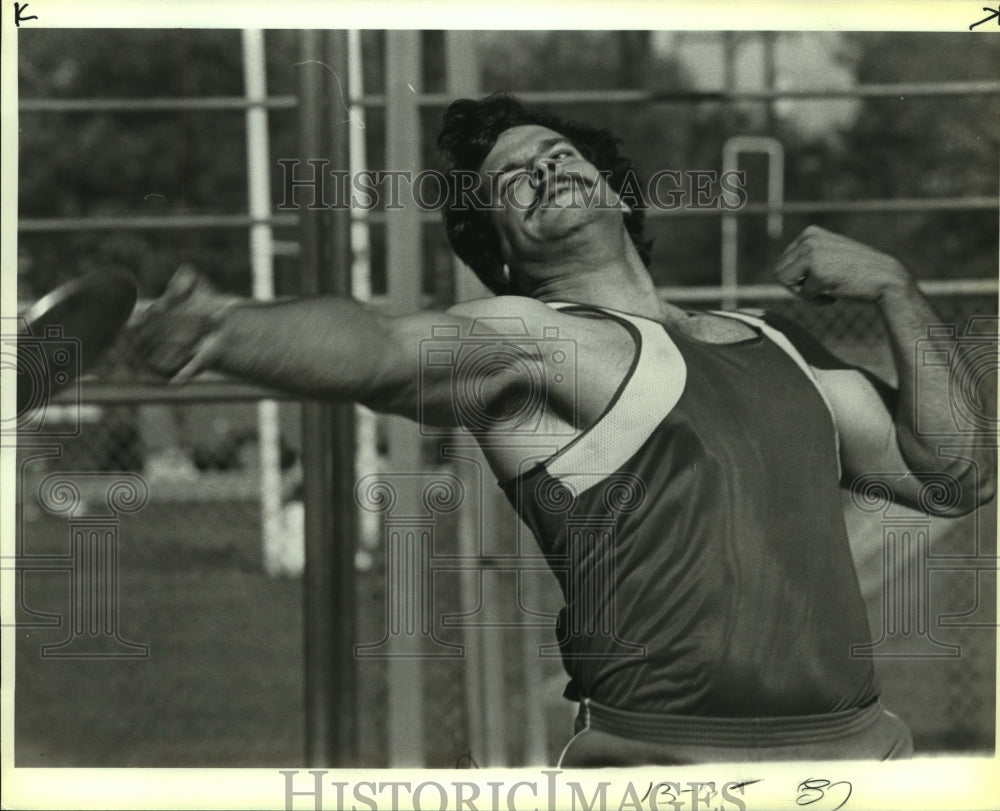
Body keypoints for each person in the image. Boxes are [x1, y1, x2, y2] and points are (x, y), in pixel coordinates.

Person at [136, 93, 995, 766]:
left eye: (560, 155)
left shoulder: (776, 342)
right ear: (501, 252)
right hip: (667, 770)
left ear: (616, 189)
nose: (546, 171)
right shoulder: (531, 339)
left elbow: (959, 474)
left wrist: (895, 287)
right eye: (514, 179)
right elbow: (381, 350)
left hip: (862, 760)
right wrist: (222, 330)